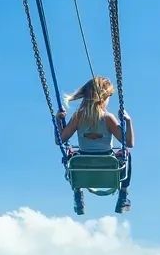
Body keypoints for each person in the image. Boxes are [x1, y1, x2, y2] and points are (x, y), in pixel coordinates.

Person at [57, 76, 134, 215]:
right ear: (104, 97)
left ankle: (77, 193)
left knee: (70, 155)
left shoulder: (78, 117)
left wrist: (58, 120)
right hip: (108, 167)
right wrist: (128, 121)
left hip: (82, 167)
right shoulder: (108, 118)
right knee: (127, 154)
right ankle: (123, 195)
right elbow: (129, 143)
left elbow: (60, 140)